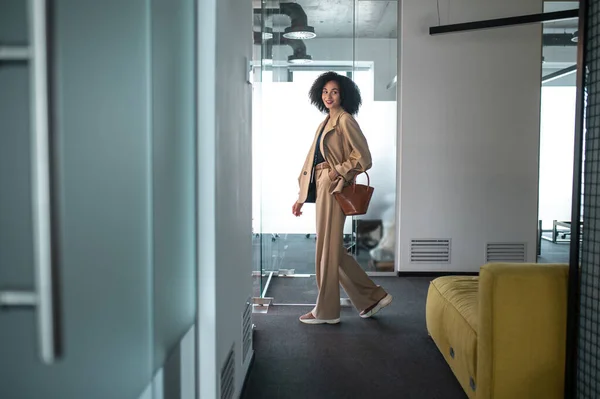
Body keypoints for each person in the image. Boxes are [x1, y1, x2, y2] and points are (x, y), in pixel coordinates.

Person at [292, 71, 393, 325]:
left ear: (343, 95)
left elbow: (364, 157)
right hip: (324, 184)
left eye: (334, 91)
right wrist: (301, 197)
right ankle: (372, 297)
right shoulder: (326, 121)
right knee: (332, 249)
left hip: (333, 185)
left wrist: (338, 171)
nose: (328, 96)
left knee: (327, 250)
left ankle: (326, 311)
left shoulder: (345, 120)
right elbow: (311, 160)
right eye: (325, 91)